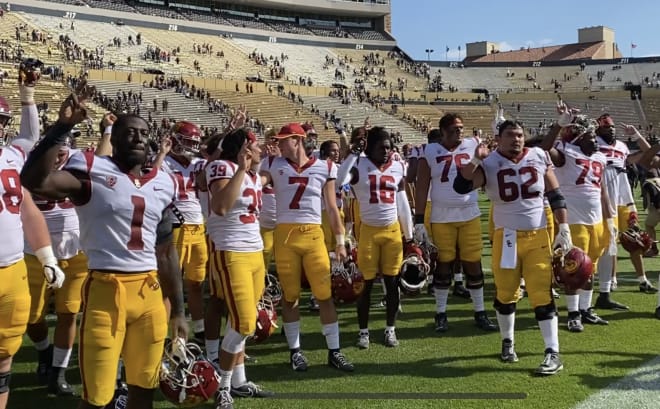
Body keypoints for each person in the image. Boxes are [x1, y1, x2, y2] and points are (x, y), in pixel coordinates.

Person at [21, 84, 187, 409]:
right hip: (105, 292)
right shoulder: (93, 170)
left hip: (149, 293)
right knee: (97, 396)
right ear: (115, 138)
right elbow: (35, 181)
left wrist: (179, 311)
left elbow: (166, 252)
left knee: (143, 388)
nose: (138, 138)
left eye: (143, 133)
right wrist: (62, 127)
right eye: (129, 133)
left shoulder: (164, 183)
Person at [454, 120, 569, 376]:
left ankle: (552, 351)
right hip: (506, 238)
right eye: (510, 135)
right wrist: (475, 160)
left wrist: (564, 227)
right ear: (498, 138)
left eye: (519, 135)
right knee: (506, 293)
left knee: (542, 292)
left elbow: (555, 194)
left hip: (538, 236)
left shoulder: (538, 155)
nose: (516, 139)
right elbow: (461, 186)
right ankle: (508, 340)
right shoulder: (490, 162)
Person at [259, 123, 353, 372]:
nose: (278, 144)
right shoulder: (273, 164)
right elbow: (258, 183)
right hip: (285, 236)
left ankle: (334, 351)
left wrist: (340, 241)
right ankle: (295, 352)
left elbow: (332, 208)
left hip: (313, 236)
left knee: (324, 295)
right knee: (290, 297)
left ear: (297, 140)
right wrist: (257, 157)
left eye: (283, 140)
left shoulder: (325, 166)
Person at [0, 64, 65, 409]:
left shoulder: (10, 156)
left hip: (13, 271)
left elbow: (28, 210)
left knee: (4, 358)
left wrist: (47, 257)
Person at [206, 128, 273, 409]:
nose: (261, 150)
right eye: (256, 145)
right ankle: (222, 386)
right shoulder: (223, 167)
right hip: (230, 251)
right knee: (245, 322)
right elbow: (220, 207)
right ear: (245, 149)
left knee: (241, 323)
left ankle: (240, 381)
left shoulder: (254, 176)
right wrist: (240, 171)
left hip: (254, 251)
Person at [414, 114, 497, 333]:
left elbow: (487, 173)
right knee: (443, 265)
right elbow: (421, 185)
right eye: (453, 129)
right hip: (441, 216)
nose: (458, 132)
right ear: (442, 132)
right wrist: (419, 219)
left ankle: (480, 311)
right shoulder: (429, 151)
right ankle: (440, 313)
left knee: (473, 263)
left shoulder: (473, 144)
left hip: (469, 213)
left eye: (460, 128)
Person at [337, 127, 411, 348]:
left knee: (392, 282)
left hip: (392, 231)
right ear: (369, 148)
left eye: (388, 147)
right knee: (365, 285)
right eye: (381, 148)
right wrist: (352, 154)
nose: (386, 152)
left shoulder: (397, 166)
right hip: (368, 231)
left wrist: (409, 235)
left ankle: (390, 329)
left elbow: (402, 201)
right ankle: (363, 332)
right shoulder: (359, 165)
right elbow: (340, 180)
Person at [541, 111, 614, 332]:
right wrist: (557, 125)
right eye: (590, 137)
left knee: (588, 267)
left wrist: (609, 218)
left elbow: (601, 189)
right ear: (578, 138)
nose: (595, 140)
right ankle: (573, 314)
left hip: (596, 221)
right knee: (573, 268)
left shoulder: (600, 158)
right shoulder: (566, 153)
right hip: (573, 220)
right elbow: (544, 147)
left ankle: (586, 309)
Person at [25, 138, 87, 396]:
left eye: (64, 150)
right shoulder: (26, 166)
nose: (59, 155)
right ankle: (43, 351)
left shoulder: (81, 163)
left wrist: (107, 131)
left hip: (75, 253)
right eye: (55, 150)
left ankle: (58, 372)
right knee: (32, 316)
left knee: (69, 313)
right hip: (34, 253)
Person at [594, 114, 655, 310]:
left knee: (634, 238)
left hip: (624, 195)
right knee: (610, 241)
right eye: (606, 127)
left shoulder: (621, 146)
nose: (610, 130)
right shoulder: (592, 144)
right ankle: (610, 280)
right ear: (598, 130)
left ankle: (642, 279)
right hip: (603, 195)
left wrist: (637, 135)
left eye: (612, 127)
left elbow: (648, 155)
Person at [159, 121, 208, 345]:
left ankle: (200, 329)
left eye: (193, 143)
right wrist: (162, 153)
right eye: (187, 142)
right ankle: (169, 335)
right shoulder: (164, 162)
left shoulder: (198, 163)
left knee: (196, 283)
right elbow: (150, 175)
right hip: (176, 226)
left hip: (198, 226)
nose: (190, 148)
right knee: (171, 285)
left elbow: (216, 156)